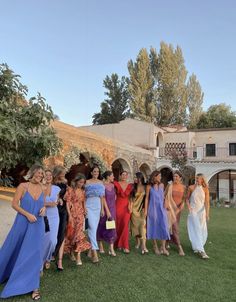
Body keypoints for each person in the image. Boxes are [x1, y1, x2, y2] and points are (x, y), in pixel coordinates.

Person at [0, 164, 46, 300]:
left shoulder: (43, 188)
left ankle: (33, 286)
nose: (40, 176)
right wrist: (27, 215)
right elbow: (14, 204)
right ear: (32, 173)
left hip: (38, 224)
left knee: (34, 253)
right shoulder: (22, 186)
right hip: (22, 222)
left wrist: (44, 209)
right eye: (38, 173)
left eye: (41, 174)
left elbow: (42, 204)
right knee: (12, 248)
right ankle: (5, 272)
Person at [64, 174, 91, 265]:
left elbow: (83, 201)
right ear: (76, 181)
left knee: (79, 234)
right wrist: (70, 216)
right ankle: (71, 251)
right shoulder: (70, 190)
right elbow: (67, 203)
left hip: (80, 215)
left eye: (83, 182)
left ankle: (78, 256)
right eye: (80, 182)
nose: (81, 184)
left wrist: (85, 209)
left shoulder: (83, 191)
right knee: (72, 234)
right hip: (72, 214)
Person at [145, 170, 170, 256]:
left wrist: (166, 202)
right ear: (154, 177)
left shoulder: (162, 185)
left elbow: (163, 196)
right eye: (159, 176)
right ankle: (155, 246)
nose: (160, 177)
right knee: (153, 226)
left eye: (160, 176)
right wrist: (146, 211)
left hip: (162, 209)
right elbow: (147, 198)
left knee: (164, 226)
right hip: (153, 208)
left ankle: (163, 247)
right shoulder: (149, 186)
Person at [186, 173, 210, 259]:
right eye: (196, 178)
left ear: (202, 179)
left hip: (201, 212)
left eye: (199, 178)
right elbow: (187, 199)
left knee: (202, 231)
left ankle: (197, 246)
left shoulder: (205, 189)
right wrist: (189, 207)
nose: (197, 180)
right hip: (193, 212)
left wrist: (207, 214)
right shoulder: (191, 187)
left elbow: (207, 203)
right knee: (196, 229)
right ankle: (202, 251)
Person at [85, 165, 105, 263]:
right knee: (92, 228)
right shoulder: (87, 182)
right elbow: (84, 196)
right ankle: (95, 253)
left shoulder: (101, 183)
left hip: (97, 206)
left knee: (94, 229)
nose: (96, 173)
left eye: (97, 172)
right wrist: (84, 207)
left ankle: (90, 250)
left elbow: (102, 197)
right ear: (91, 172)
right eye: (94, 171)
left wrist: (102, 209)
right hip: (88, 205)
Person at [42, 169, 61, 270]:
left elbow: (57, 200)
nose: (48, 177)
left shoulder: (56, 188)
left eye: (50, 175)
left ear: (52, 177)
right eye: (46, 175)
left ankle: (48, 258)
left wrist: (60, 200)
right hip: (43, 216)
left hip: (54, 216)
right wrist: (50, 204)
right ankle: (42, 259)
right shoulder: (40, 188)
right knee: (44, 239)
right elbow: (38, 202)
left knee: (53, 241)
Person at [164, 170, 186, 256]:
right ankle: (177, 246)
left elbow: (183, 200)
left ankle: (171, 244)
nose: (175, 178)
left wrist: (178, 210)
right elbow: (165, 196)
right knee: (169, 227)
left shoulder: (184, 187)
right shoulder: (169, 186)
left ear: (180, 178)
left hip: (177, 210)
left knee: (174, 228)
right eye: (174, 176)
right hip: (169, 209)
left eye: (176, 176)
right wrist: (166, 206)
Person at [97, 171, 117, 256]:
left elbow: (114, 196)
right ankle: (100, 245)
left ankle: (111, 248)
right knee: (102, 226)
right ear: (108, 176)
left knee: (112, 227)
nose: (113, 177)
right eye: (112, 175)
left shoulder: (112, 185)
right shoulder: (102, 185)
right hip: (105, 209)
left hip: (113, 208)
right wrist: (107, 211)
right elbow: (103, 198)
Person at [52, 166, 68, 271]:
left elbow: (68, 193)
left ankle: (57, 256)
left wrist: (67, 195)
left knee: (62, 233)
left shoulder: (66, 182)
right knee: (53, 233)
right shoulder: (52, 183)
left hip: (63, 209)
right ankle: (50, 254)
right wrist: (59, 198)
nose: (64, 174)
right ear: (58, 173)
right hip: (54, 208)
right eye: (62, 173)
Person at [114, 171, 133, 253]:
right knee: (118, 225)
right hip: (118, 206)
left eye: (126, 175)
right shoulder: (116, 184)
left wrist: (131, 206)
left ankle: (125, 246)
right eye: (123, 175)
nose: (124, 176)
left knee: (125, 225)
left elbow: (131, 197)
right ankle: (118, 244)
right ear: (120, 175)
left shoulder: (130, 185)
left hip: (127, 207)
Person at [130, 172, 148, 255]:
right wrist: (130, 209)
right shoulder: (133, 187)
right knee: (135, 227)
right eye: (134, 178)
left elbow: (147, 198)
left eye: (136, 177)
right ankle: (138, 243)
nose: (135, 179)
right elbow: (131, 199)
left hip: (142, 210)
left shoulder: (145, 186)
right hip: (134, 210)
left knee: (143, 227)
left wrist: (145, 209)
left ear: (140, 178)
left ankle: (143, 246)